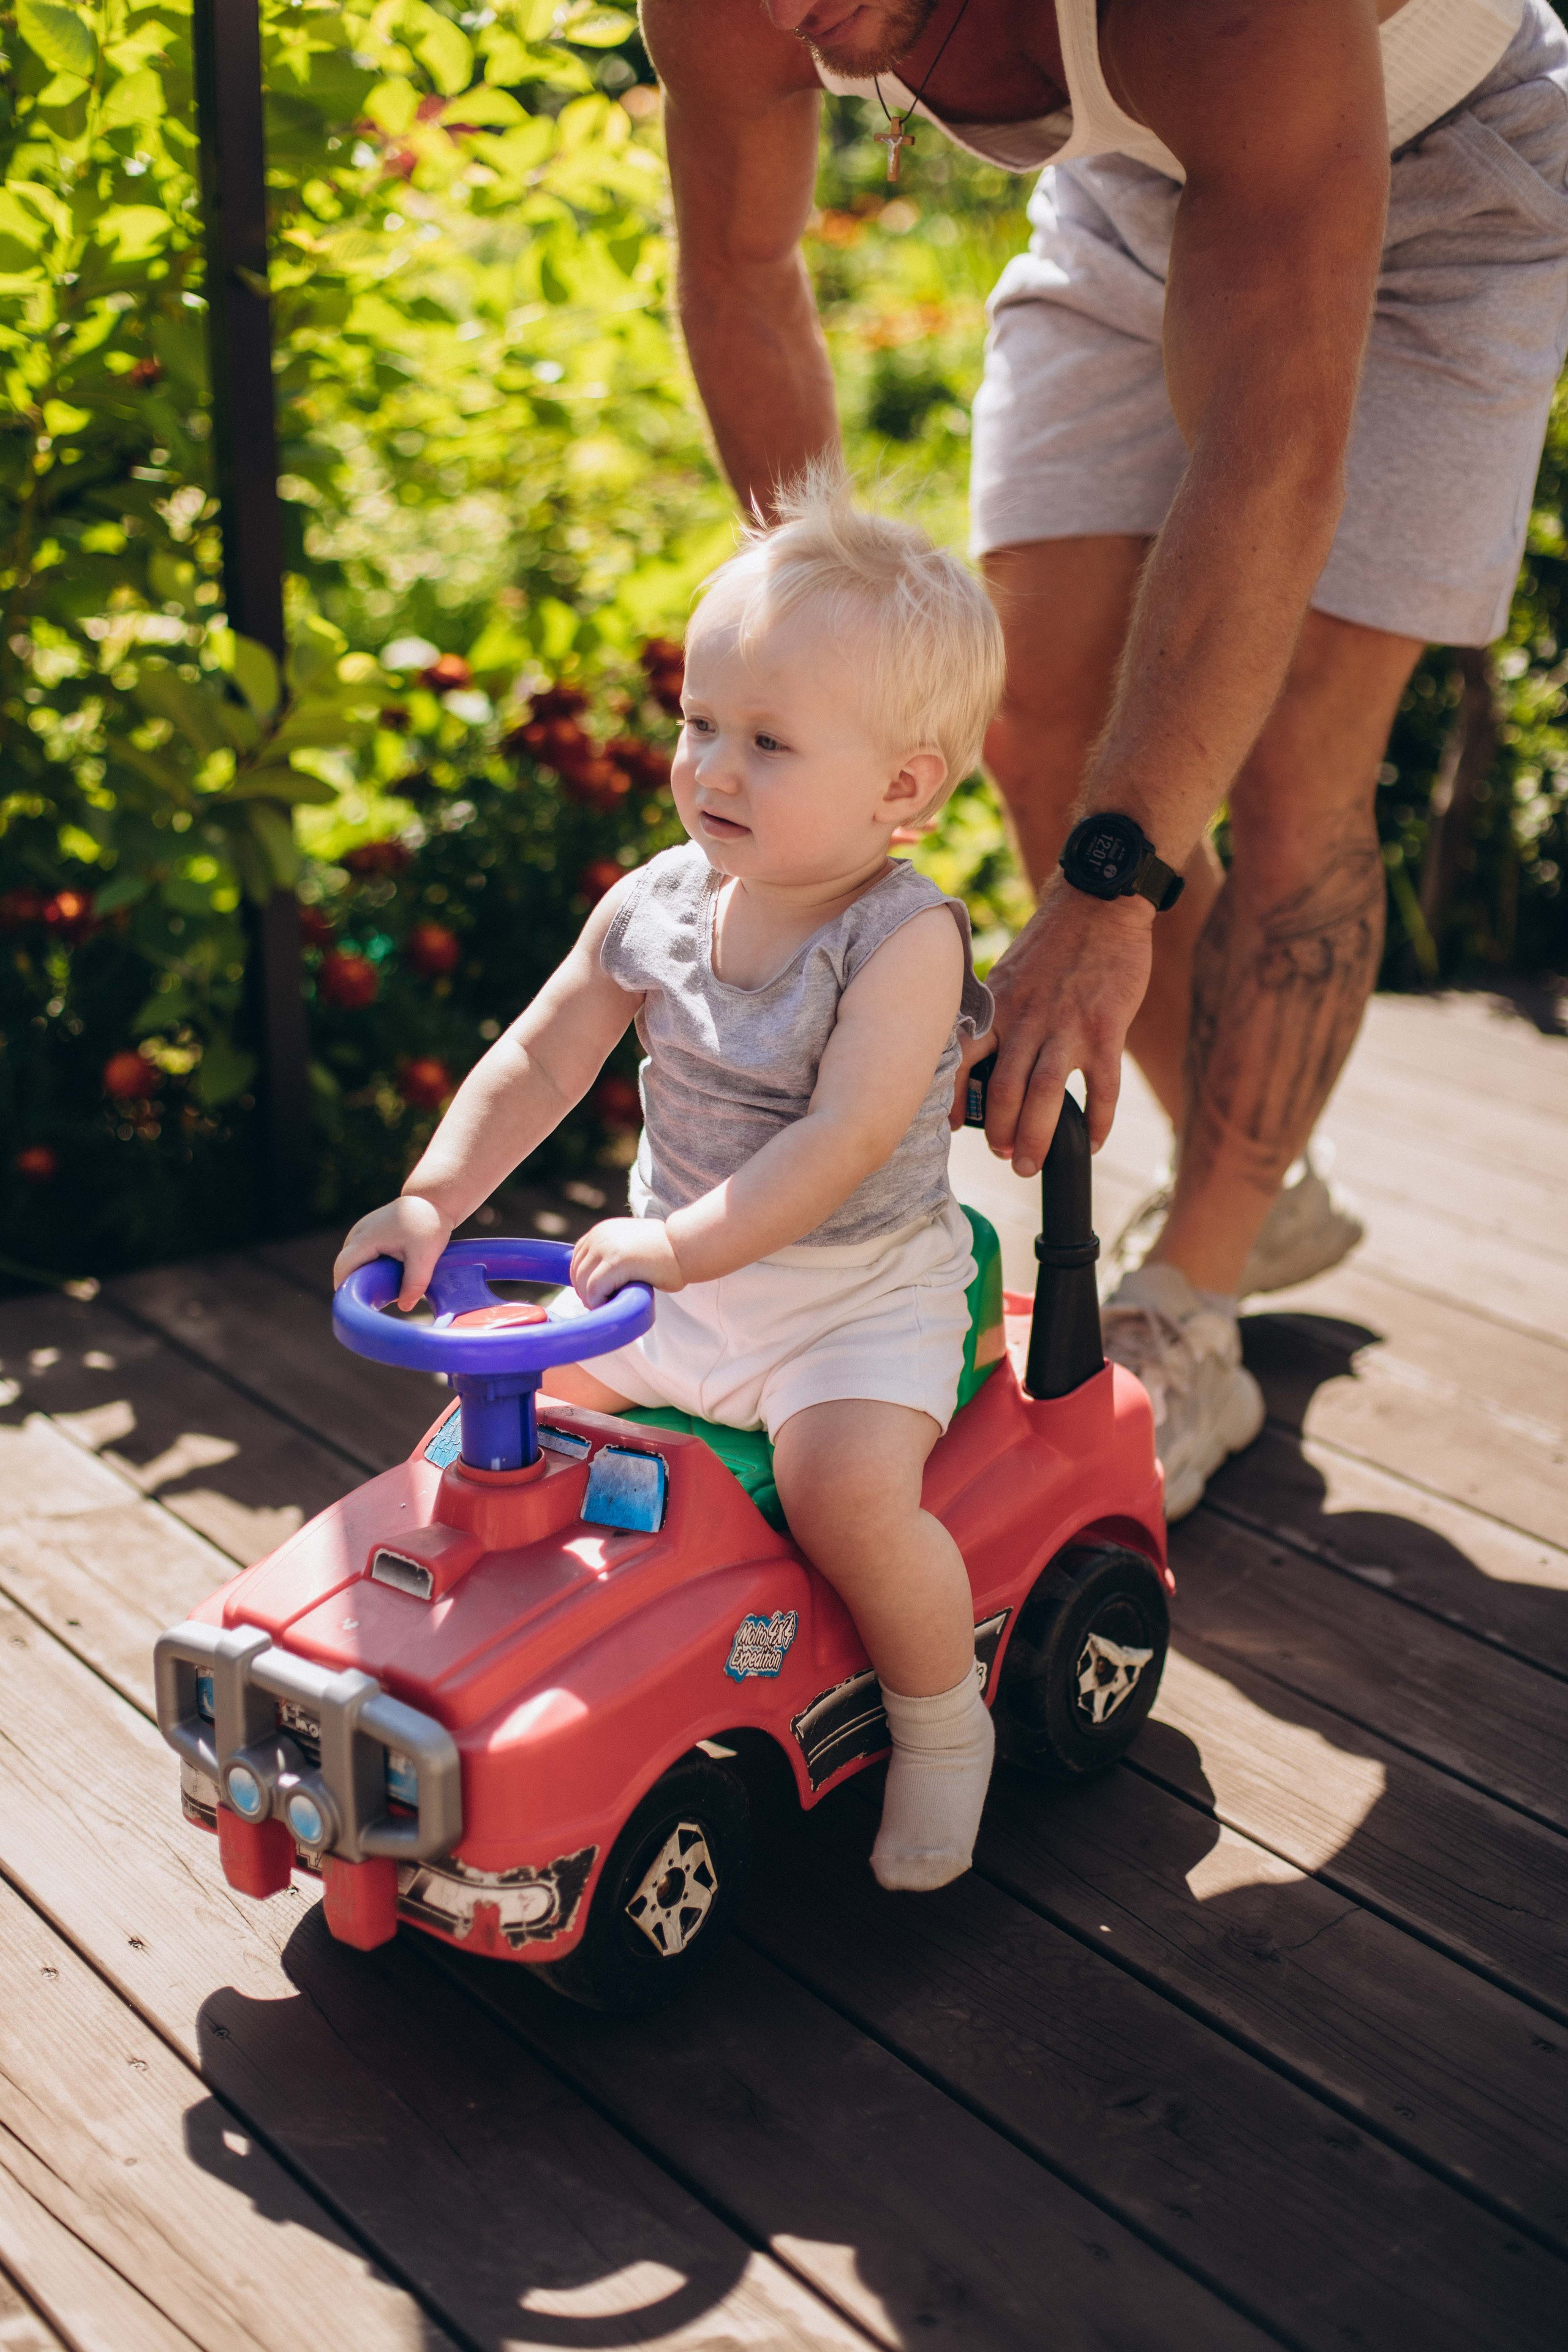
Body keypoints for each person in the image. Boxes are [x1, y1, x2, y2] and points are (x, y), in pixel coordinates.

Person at [644, 0, 1568, 1516]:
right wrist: (816, 673)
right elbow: (742, 277)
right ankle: (1254, 1182)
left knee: (1287, 781)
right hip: (1136, 184)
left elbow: (1272, 439)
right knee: (1029, 721)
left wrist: (1107, 893)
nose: (793, 12)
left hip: (1448, 181)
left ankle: (1195, 1294)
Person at [334, 475, 1009, 1891]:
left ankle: (940, 1721)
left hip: (846, 1300)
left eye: (766, 742)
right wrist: (432, 1199)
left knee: (844, 1500)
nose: (707, 768)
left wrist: (683, 1248)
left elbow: (835, 1144)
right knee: (488, 1434)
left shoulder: (900, 942)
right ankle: (460, 1680)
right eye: (699, 723)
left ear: (902, 787)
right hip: (668, 1281)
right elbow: (538, 1058)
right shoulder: (653, 903)